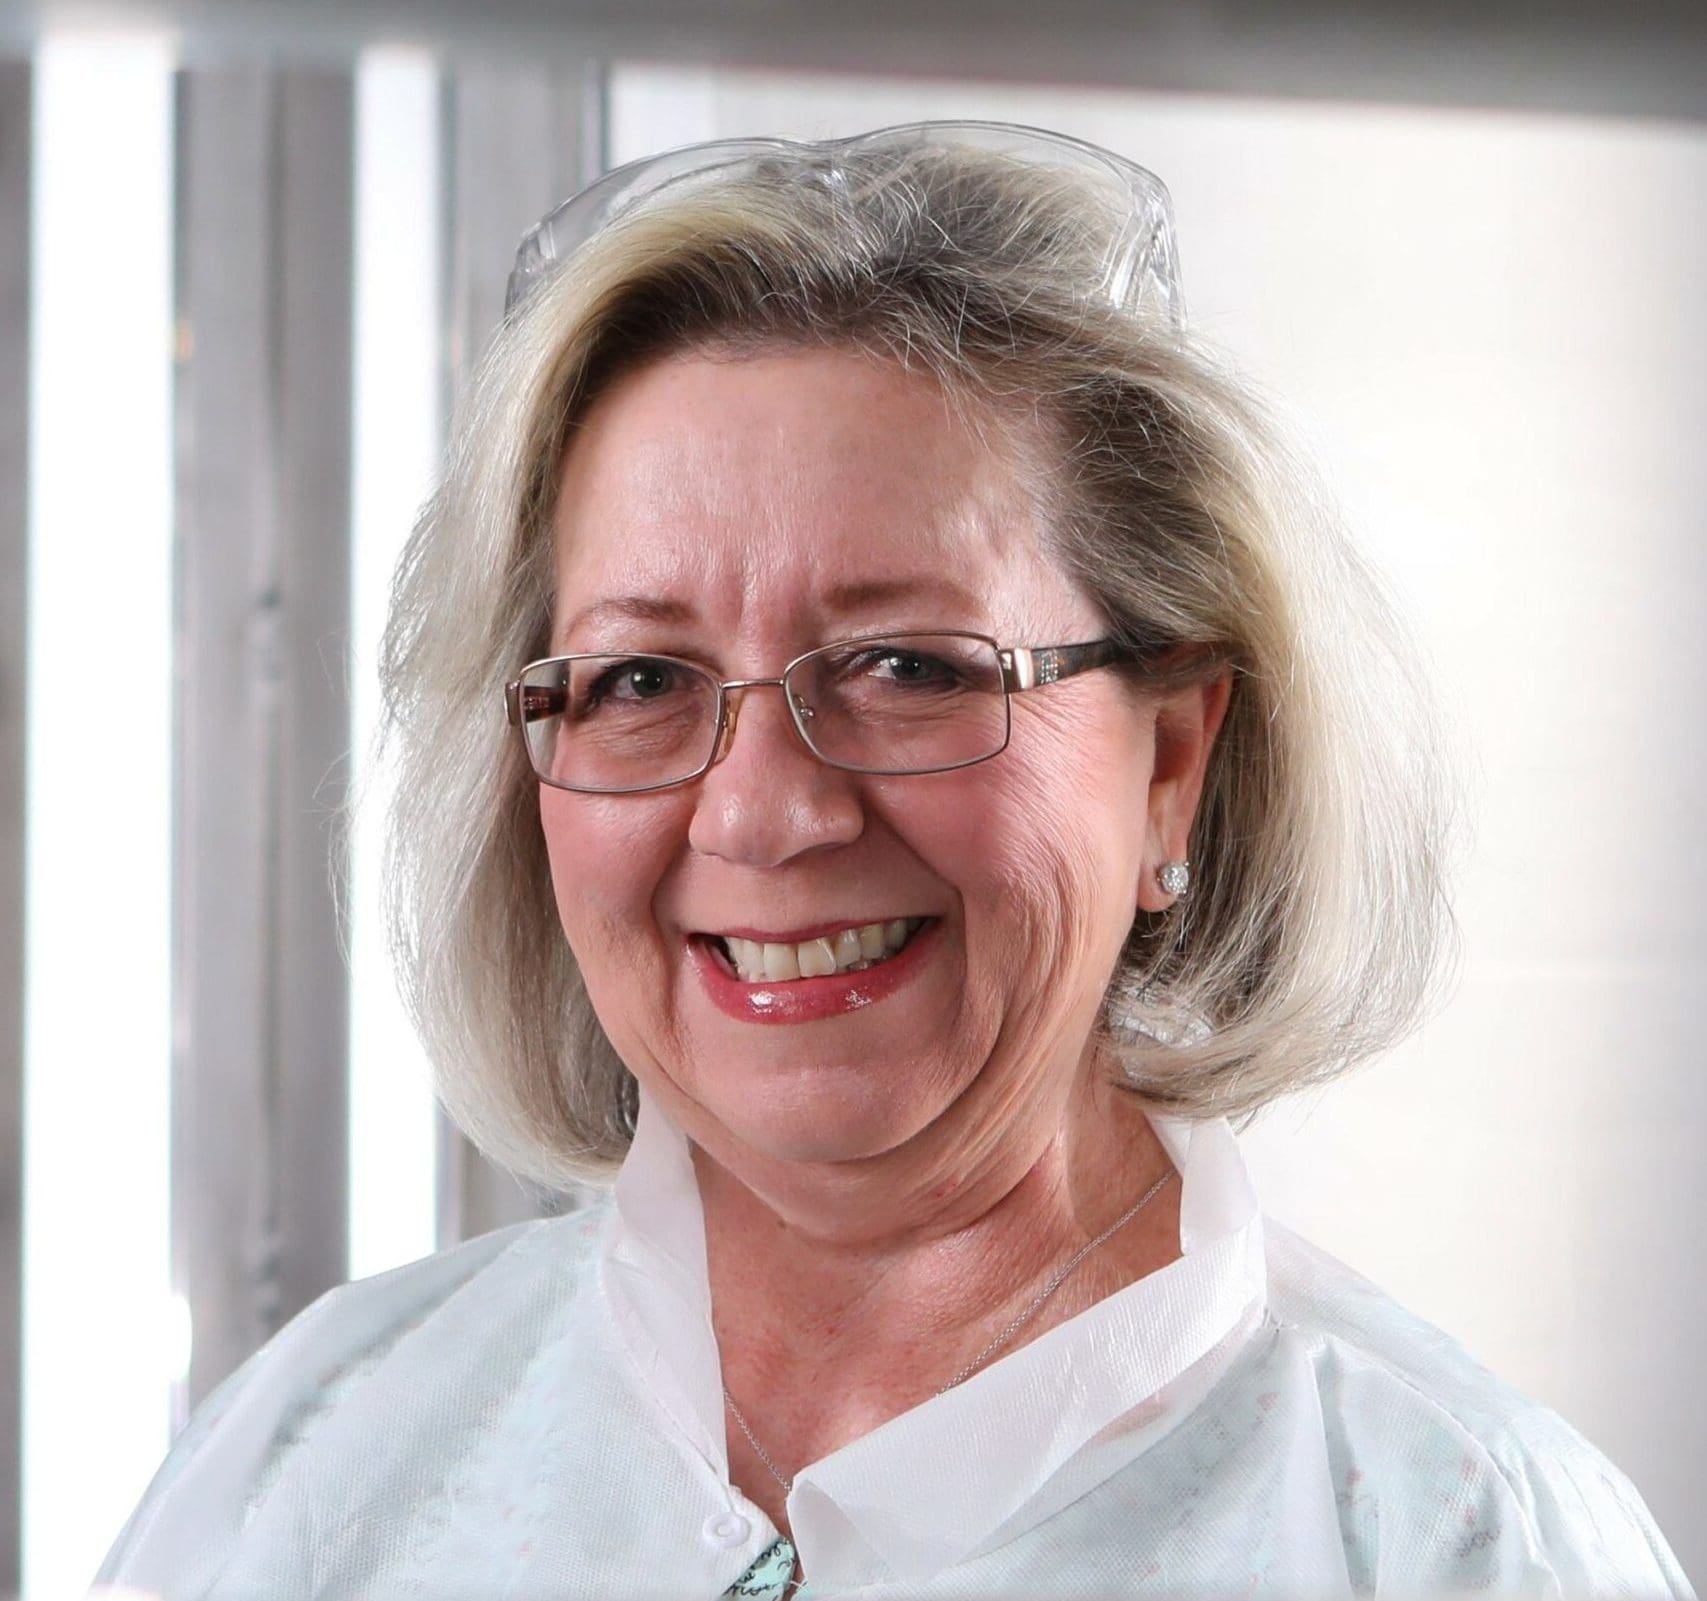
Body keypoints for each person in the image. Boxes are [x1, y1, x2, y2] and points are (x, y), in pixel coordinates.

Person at [99, 122, 1694, 1598]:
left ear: (1173, 762)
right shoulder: (313, 1461)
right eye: (641, 678)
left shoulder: (1453, 1539)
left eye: (910, 665)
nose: (761, 813)